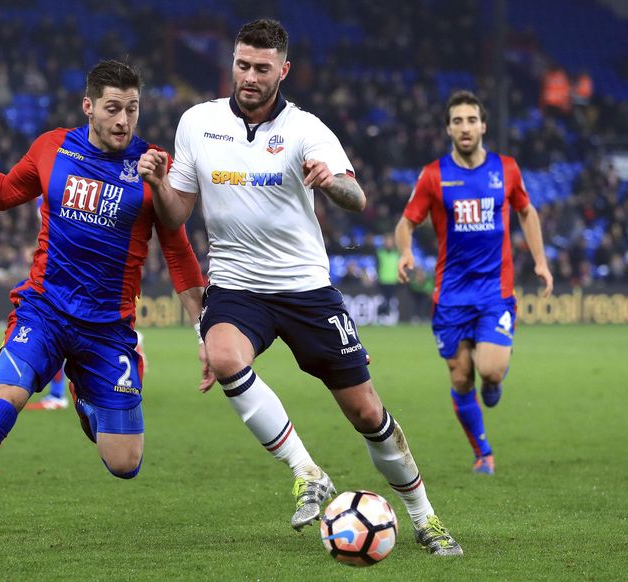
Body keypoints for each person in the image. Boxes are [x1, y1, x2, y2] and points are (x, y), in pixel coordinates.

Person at [139, 19, 462, 556]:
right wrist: (156, 184)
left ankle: (425, 517)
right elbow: (175, 214)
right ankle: (307, 471)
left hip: (305, 287)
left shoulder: (308, 129)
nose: (248, 76)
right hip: (238, 286)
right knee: (223, 356)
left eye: (261, 68)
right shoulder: (198, 123)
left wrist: (328, 180)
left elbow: (356, 197)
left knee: (366, 412)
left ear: (282, 70)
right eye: (242, 64)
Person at [0, 60, 210, 562]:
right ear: (88, 106)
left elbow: (178, 250)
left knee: (124, 463)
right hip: (43, 312)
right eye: (113, 108)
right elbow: (5, 192)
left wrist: (204, 329)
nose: (123, 121)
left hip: (108, 330)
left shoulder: (151, 163)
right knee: (0, 407)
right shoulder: (53, 147)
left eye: (132, 110)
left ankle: (86, 397)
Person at [394, 90, 554, 476]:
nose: (465, 128)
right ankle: (483, 453)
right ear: (448, 129)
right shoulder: (434, 175)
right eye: (457, 121)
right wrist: (405, 252)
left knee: (490, 371)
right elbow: (406, 222)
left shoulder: (507, 169)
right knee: (461, 376)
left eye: (471, 120)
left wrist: (541, 261)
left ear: (483, 126)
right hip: (450, 295)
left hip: (493, 292)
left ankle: (495, 382)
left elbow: (527, 212)